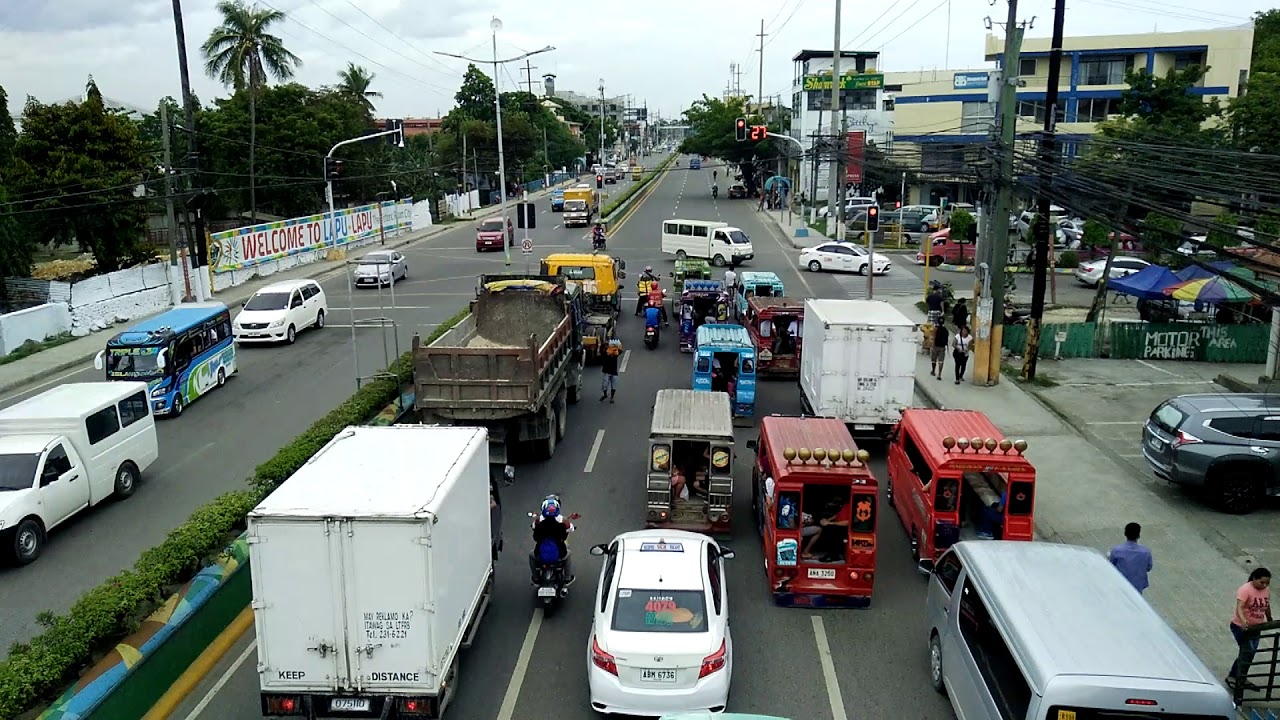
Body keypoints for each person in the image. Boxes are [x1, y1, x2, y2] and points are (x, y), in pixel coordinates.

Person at [1229, 567, 1272, 689]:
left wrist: (1269, 617)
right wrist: (1243, 621)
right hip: (1240, 627)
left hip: (1256, 627)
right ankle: (1234, 676)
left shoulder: (1266, 590)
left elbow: (1266, 605)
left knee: (1250, 653)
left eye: (1267, 583)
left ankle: (1241, 676)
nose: (1264, 585)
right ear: (1254, 579)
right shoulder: (1245, 589)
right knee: (1247, 650)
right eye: (1261, 582)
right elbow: (1239, 607)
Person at [531, 495, 575, 583]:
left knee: (531, 556)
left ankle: (536, 578)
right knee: (568, 555)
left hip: (540, 554)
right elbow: (565, 535)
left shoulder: (538, 523)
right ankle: (567, 578)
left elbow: (535, 538)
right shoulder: (562, 523)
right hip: (560, 554)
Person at [1108, 522, 1154, 595]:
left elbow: (1111, 566)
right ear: (1138, 535)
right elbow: (1149, 567)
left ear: (1125, 534)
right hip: (1137, 586)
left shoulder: (1116, 550)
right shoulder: (1146, 552)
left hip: (1120, 585)